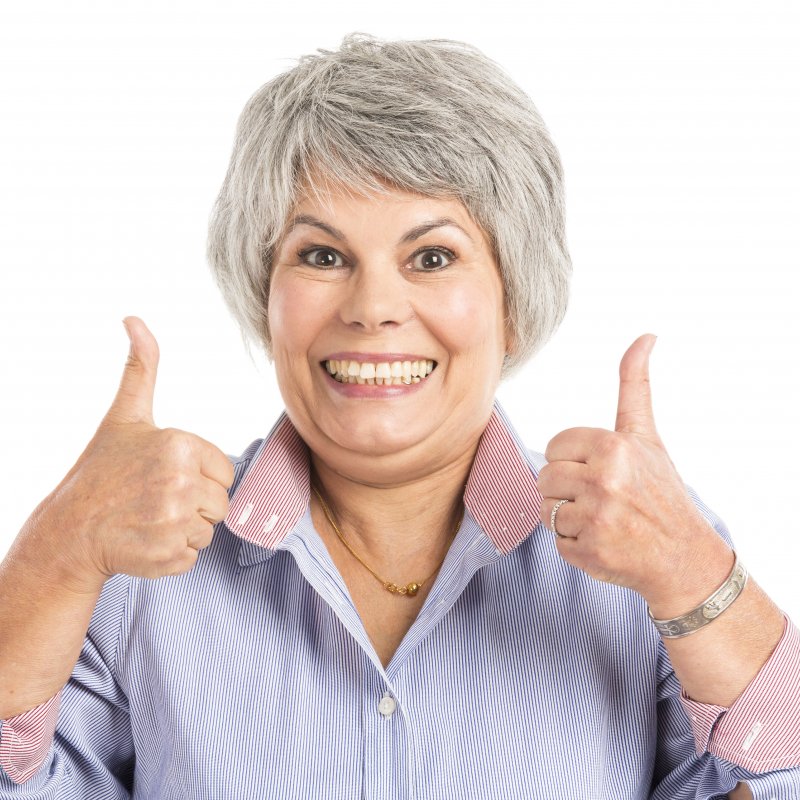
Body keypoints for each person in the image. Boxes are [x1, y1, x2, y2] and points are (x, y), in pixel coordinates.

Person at [0, 31, 798, 800]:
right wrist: (50, 556)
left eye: (432, 257)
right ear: (264, 294)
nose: (374, 307)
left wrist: (699, 576)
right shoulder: (132, 571)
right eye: (321, 255)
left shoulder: (649, 563)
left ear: (513, 300)